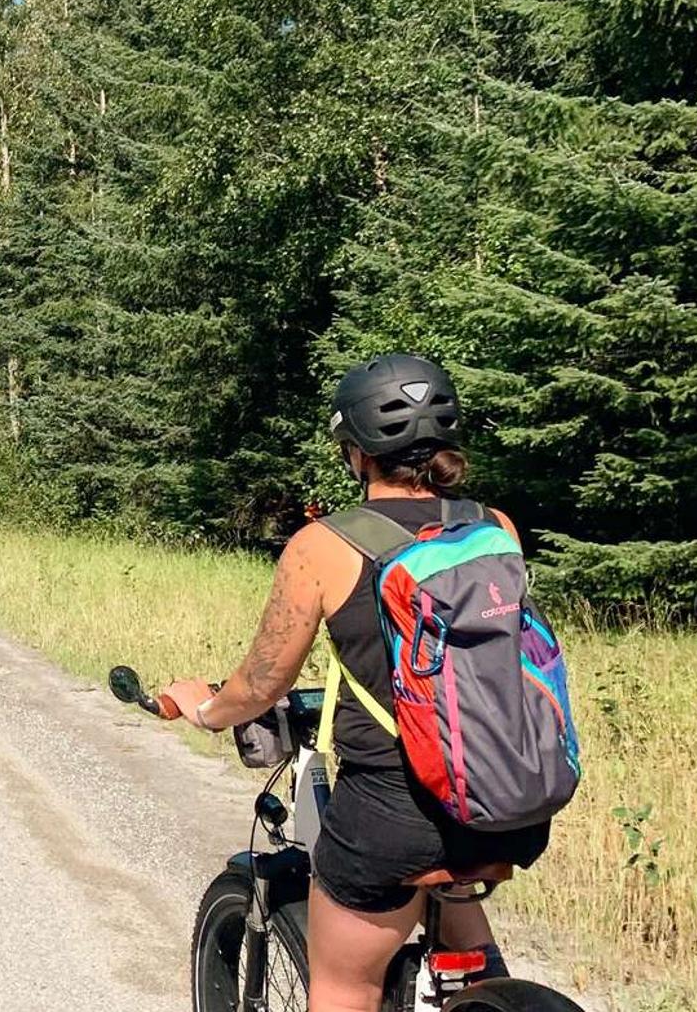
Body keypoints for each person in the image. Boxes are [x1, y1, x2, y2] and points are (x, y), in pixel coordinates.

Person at [159, 355, 551, 1012]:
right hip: (511, 798)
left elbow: (260, 683)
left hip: (394, 814)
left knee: (345, 984)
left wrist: (204, 707)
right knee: (457, 922)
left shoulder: (324, 546)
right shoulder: (496, 526)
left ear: (355, 453)